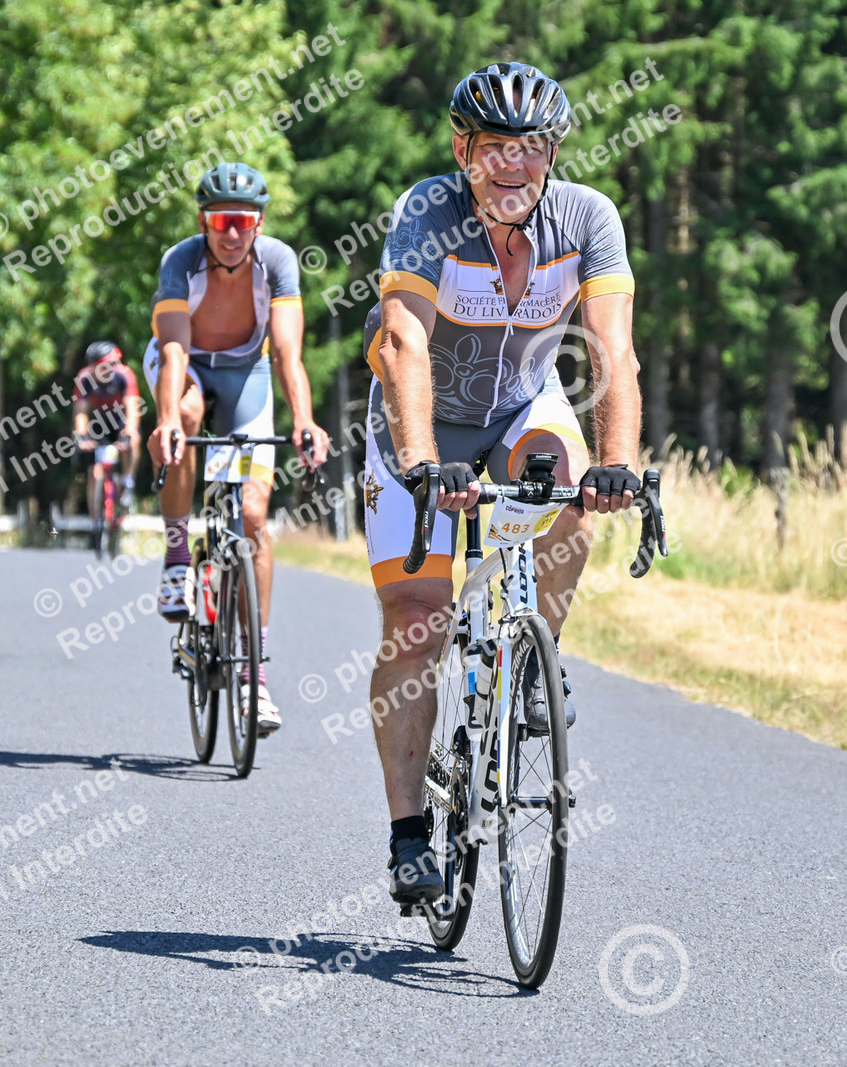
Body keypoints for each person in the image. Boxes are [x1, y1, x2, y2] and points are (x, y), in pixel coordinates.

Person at [360, 64, 643, 903]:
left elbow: (612, 349)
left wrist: (619, 460)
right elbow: (403, 342)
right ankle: (409, 832)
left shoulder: (586, 217)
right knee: (417, 620)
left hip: (523, 404)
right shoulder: (428, 213)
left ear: (552, 153)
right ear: (463, 152)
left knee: (572, 496)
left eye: (532, 148)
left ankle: (533, 660)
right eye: (495, 148)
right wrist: (420, 462)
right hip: (420, 420)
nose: (513, 165)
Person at [145, 162, 330, 735]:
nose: (231, 233)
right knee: (187, 418)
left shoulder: (277, 263)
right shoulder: (180, 262)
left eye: (242, 222)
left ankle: (254, 677)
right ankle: (179, 555)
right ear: (203, 220)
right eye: (221, 221)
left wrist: (305, 421)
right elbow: (172, 351)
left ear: (259, 224)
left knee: (252, 517)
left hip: (247, 373)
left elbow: (288, 355)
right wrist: (167, 420)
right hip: (185, 366)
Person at [74, 340, 143, 513]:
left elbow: (132, 409)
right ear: (93, 366)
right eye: (107, 365)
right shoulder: (84, 378)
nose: (112, 368)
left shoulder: (124, 374)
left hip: (121, 419)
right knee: (94, 472)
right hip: (99, 421)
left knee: (133, 439)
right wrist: (82, 435)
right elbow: (80, 411)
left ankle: (128, 481)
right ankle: (95, 519)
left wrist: (127, 434)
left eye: (114, 364)